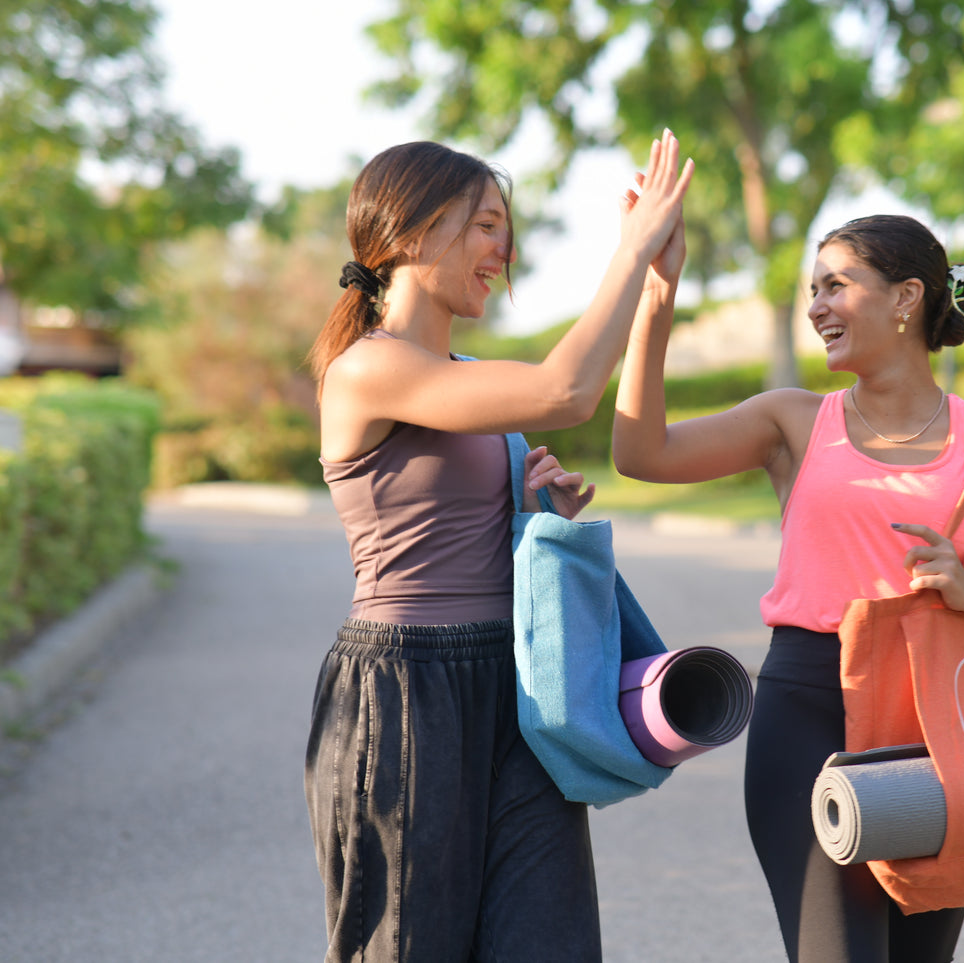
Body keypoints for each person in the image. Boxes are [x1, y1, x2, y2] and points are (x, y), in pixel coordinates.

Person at [612, 214, 964, 963]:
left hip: (945, 725)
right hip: (807, 710)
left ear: (906, 297)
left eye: (836, 285)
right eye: (813, 290)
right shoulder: (793, 421)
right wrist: (656, 293)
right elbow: (640, 452)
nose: (815, 307)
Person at [303, 130, 693, 963]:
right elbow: (565, 388)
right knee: (408, 945)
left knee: (547, 942)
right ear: (410, 232)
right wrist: (627, 249)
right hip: (405, 690)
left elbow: (545, 420)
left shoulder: (470, 378)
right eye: (484, 224)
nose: (503, 248)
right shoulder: (365, 369)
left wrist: (529, 512)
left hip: (512, 686)